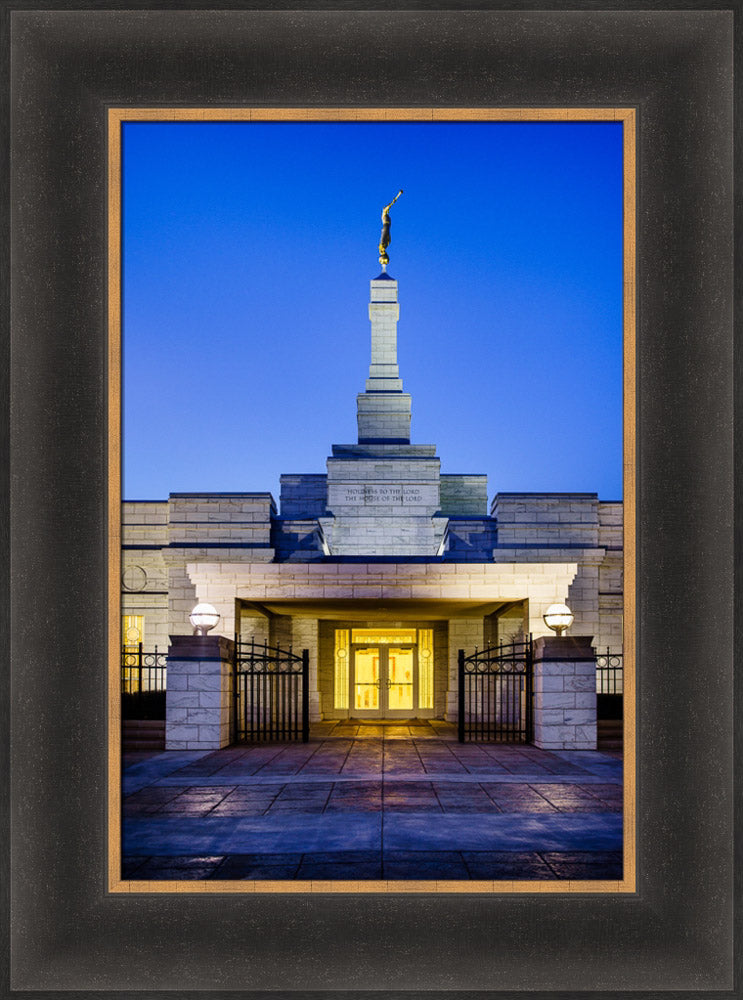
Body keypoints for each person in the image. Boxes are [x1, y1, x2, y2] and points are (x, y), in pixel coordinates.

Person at [378, 189, 403, 266]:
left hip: (387, 227)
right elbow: (392, 203)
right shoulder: (384, 212)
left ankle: (383, 254)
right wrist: (398, 195)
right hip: (386, 226)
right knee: (385, 240)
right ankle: (383, 253)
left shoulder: (385, 214)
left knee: (387, 240)